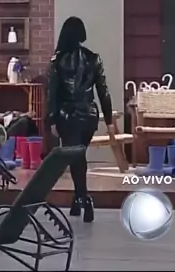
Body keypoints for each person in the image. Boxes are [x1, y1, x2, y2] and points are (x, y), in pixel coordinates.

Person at [47, 16, 115, 223]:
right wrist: (109, 120)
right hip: (89, 115)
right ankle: (77, 201)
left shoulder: (57, 60)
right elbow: (103, 91)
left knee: (76, 158)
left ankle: (84, 199)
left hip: (67, 115)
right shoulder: (93, 58)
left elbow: (52, 93)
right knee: (79, 156)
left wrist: (51, 120)